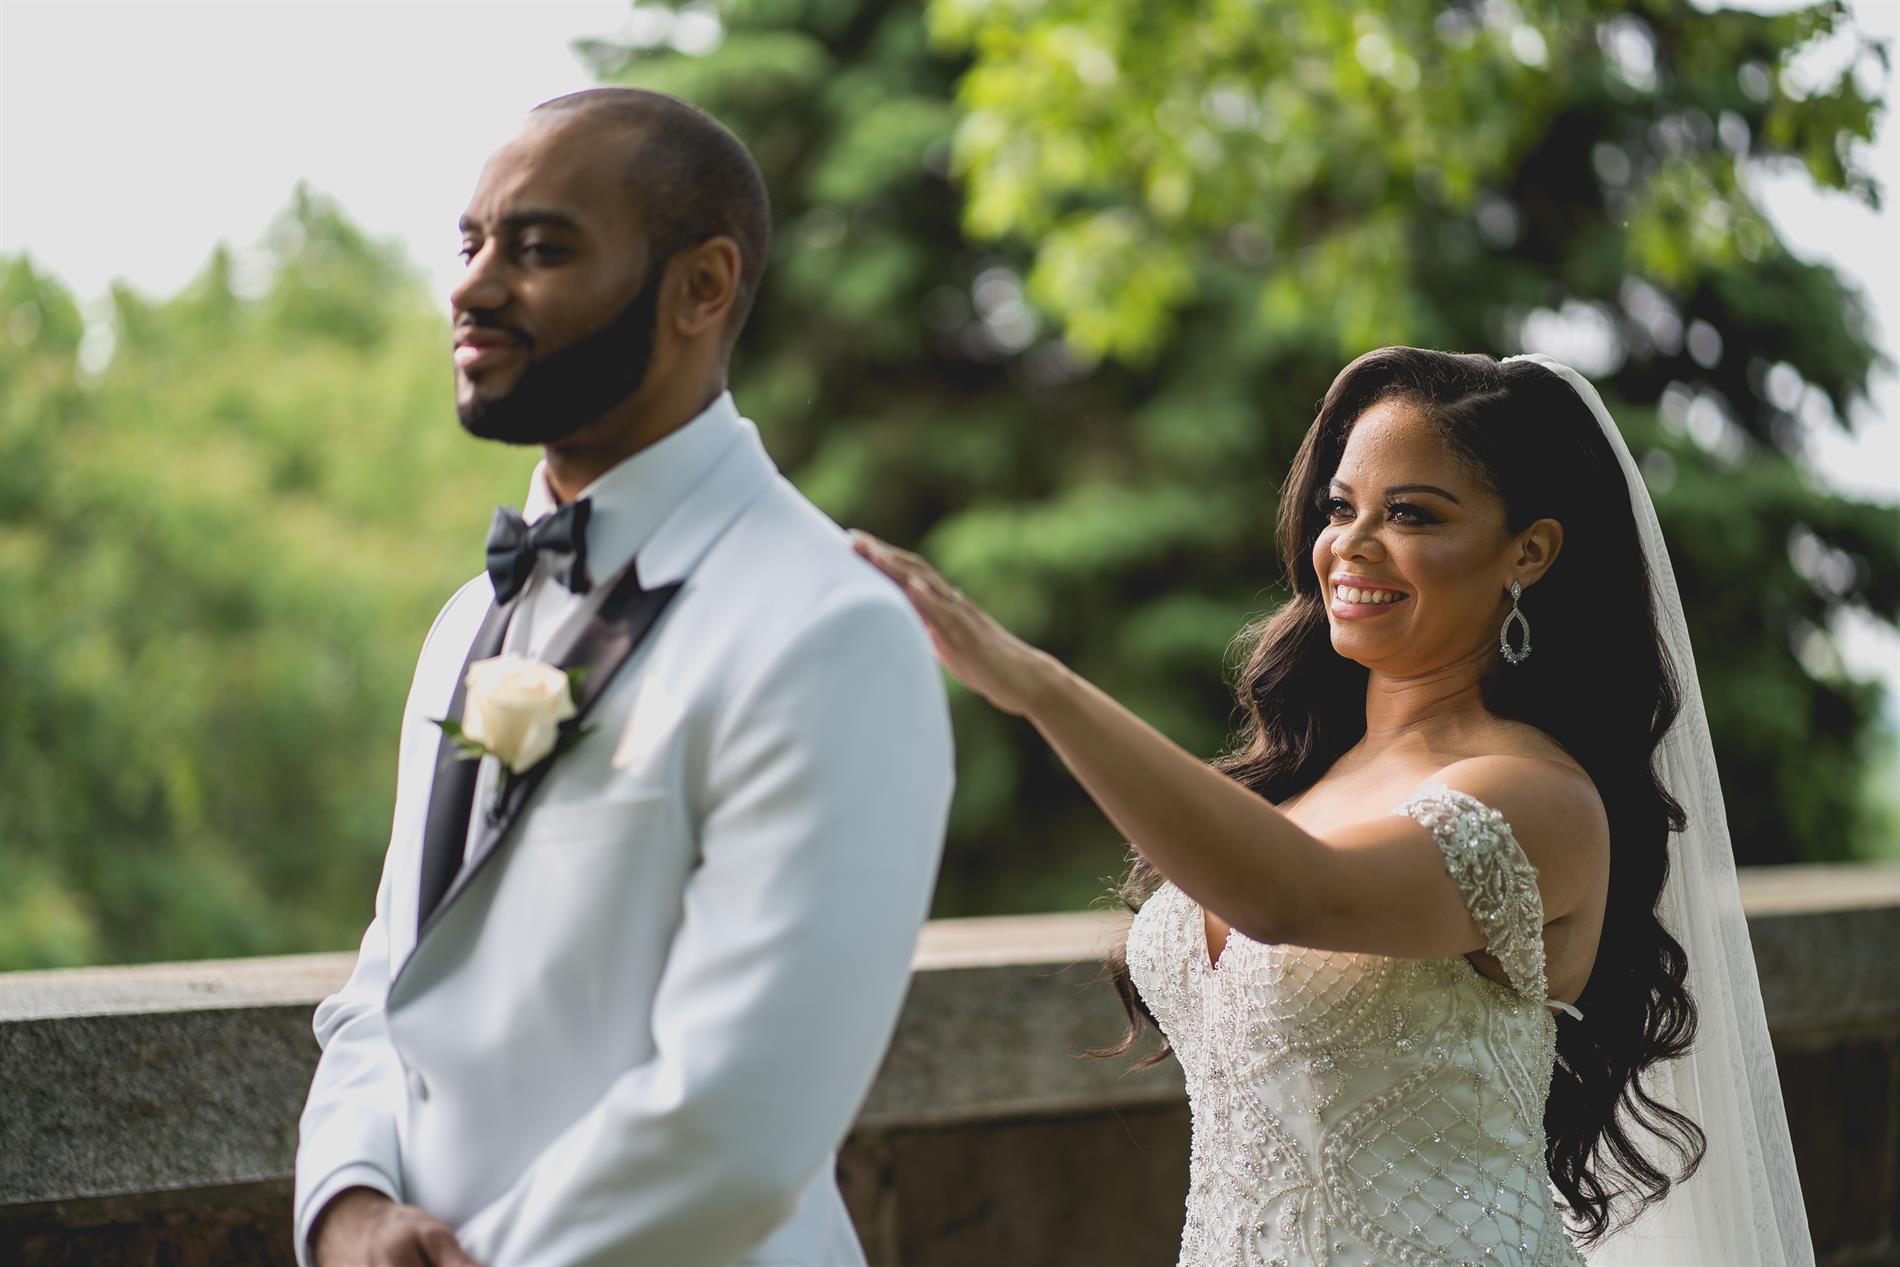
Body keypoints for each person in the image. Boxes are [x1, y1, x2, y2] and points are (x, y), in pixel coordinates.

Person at [854, 347, 1812, 1267]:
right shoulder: (1303, 776)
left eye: (1412, 514)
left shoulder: (1537, 799)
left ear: (1529, 551)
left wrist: (1043, 689)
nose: (1351, 544)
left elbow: (1291, 894)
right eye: (1341, 507)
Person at [293, 87, 953, 1267]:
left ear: (701, 287)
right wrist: (346, 1204)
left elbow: (741, 1117)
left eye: (540, 249)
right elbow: (394, 979)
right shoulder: (467, 621)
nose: (473, 287)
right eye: (470, 243)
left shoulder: (829, 630)